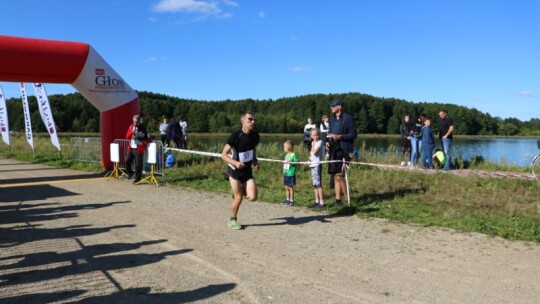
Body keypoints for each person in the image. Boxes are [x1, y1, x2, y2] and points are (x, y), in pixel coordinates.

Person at [221, 111, 260, 230]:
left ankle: (238, 191)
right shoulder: (235, 136)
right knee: (239, 198)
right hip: (234, 171)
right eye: (250, 119)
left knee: (253, 197)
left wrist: (255, 162)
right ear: (242, 121)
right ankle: (233, 220)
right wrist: (236, 163)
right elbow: (223, 155)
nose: (253, 122)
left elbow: (252, 149)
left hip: (247, 172)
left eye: (254, 119)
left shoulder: (255, 136)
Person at [326, 99, 357, 207]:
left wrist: (341, 137)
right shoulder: (332, 119)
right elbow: (329, 133)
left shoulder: (348, 118)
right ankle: (338, 200)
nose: (331, 108)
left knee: (340, 176)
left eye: (332, 106)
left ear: (339, 107)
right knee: (335, 176)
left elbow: (353, 134)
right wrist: (327, 142)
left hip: (345, 150)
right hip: (334, 150)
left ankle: (347, 200)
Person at [125, 114, 148, 184]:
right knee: (127, 161)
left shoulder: (143, 128)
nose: (135, 122)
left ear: (139, 121)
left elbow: (145, 137)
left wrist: (137, 135)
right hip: (131, 148)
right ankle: (130, 173)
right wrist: (132, 131)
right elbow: (127, 136)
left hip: (139, 148)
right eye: (134, 121)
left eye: (136, 121)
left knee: (138, 164)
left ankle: (137, 179)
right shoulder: (131, 127)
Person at [308, 128, 325, 208]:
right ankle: (316, 200)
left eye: (317, 135)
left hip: (317, 165)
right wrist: (308, 161)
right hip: (312, 165)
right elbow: (311, 155)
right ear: (311, 136)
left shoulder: (319, 142)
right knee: (314, 184)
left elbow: (314, 152)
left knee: (318, 184)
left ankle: (321, 202)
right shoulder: (313, 143)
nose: (316, 137)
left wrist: (313, 145)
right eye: (314, 135)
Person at [282, 140, 298, 206]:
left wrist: (291, 163)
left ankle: (291, 200)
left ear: (288, 148)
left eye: (284, 147)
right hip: (285, 173)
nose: (284, 148)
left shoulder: (293, 155)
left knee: (290, 187)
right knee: (286, 187)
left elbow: (297, 162)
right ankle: (287, 199)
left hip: (291, 174)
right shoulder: (287, 155)